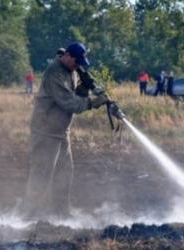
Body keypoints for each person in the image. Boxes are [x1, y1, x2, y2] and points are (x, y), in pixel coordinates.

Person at [20, 42, 109, 220]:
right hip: (45, 131)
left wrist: (84, 87)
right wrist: (92, 102)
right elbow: (68, 102)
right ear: (67, 56)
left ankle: (61, 214)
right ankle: (29, 217)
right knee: (41, 175)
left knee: (64, 173)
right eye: (76, 62)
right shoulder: (55, 73)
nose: (78, 66)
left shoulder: (71, 70)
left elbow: (75, 95)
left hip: (61, 132)